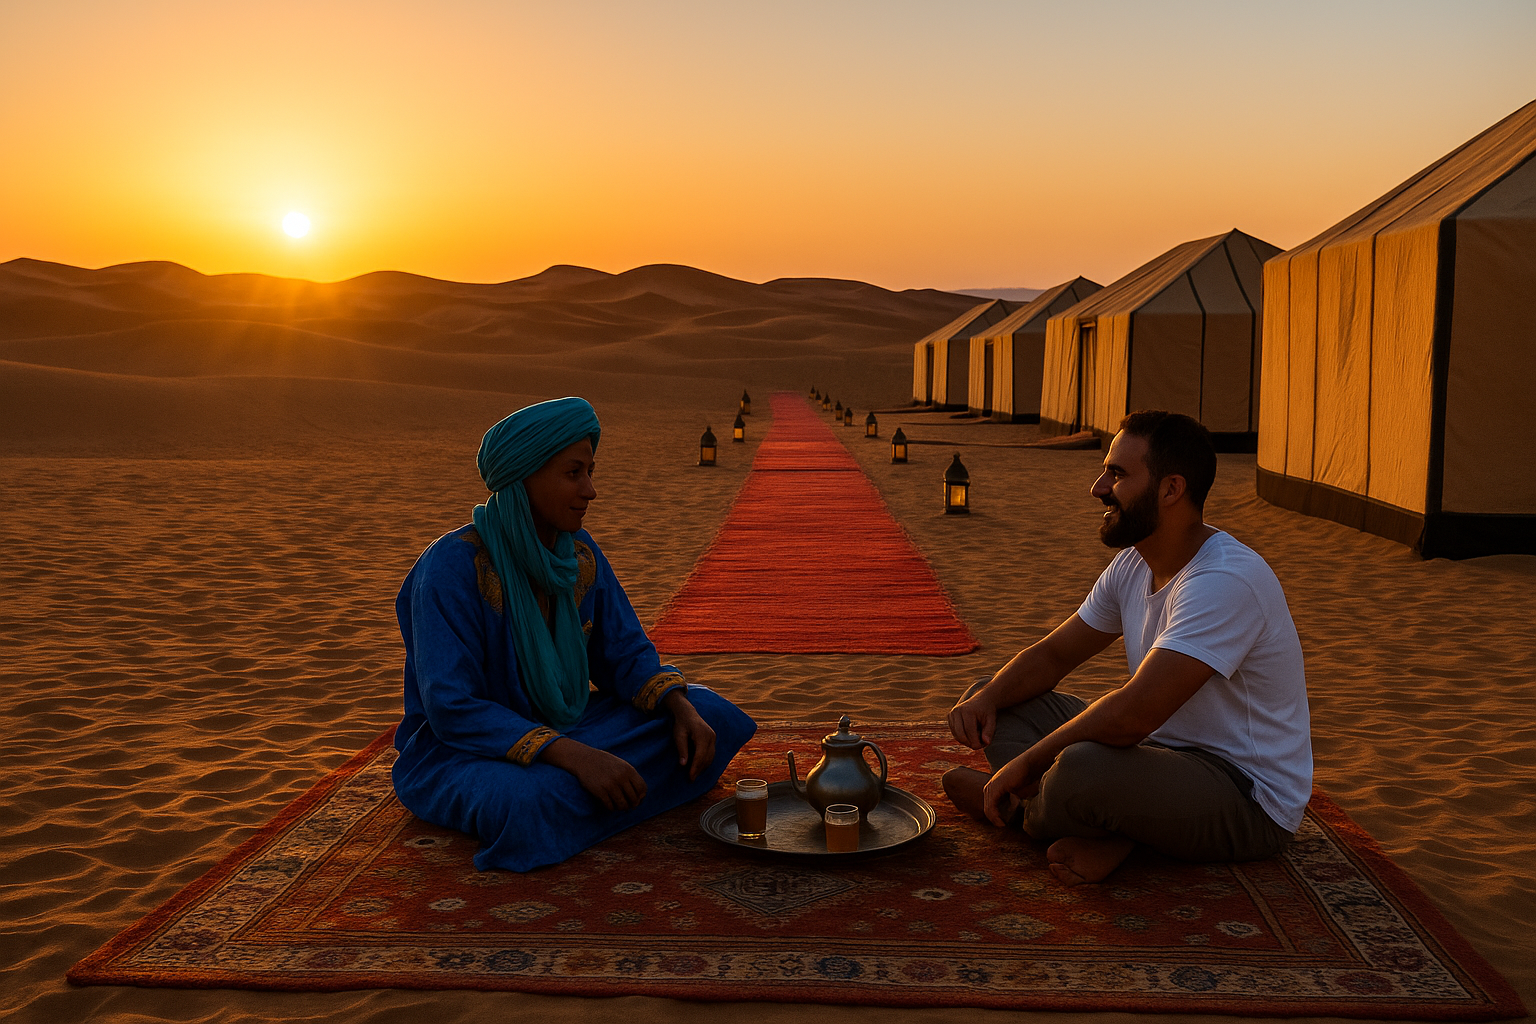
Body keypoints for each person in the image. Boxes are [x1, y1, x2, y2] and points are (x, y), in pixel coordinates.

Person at [943, 410, 1310, 887]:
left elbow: (1133, 714)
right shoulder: (1135, 563)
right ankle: (1106, 830)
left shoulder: (1224, 580)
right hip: (1156, 758)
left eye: (1117, 474)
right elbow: (1055, 655)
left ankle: (1024, 815)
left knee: (1079, 767)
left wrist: (1030, 763)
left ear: (1171, 489)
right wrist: (988, 698)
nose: (1098, 487)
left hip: (1244, 794)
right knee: (1000, 699)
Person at [391, 397, 756, 872]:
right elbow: (451, 708)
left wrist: (677, 706)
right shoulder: (450, 568)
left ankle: (598, 799)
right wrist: (577, 759)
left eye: (590, 471)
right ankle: (597, 797)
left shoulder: (578, 552)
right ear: (524, 477)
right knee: (527, 803)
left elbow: (624, 652)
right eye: (573, 473)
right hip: (465, 751)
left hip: (574, 723)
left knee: (712, 716)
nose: (590, 490)